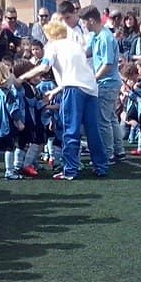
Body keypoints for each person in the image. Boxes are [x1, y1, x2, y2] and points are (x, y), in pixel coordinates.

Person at [17, 20, 109, 181]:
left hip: (73, 90)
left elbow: (44, 67)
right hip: (91, 88)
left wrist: (22, 77)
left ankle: (70, 170)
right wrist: (56, 90)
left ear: (50, 34)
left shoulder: (52, 46)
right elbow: (75, 73)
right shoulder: (75, 46)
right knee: (92, 130)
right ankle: (101, 166)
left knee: (70, 129)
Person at [80, 5, 125, 162]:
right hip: (107, 83)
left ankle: (107, 154)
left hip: (107, 84)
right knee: (111, 117)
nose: (84, 26)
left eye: (84, 22)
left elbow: (107, 64)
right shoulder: (96, 35)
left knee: (103, 120)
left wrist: (93, 79)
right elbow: (88, 52)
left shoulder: (106, 37)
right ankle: (119, 150)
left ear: (91, 20)